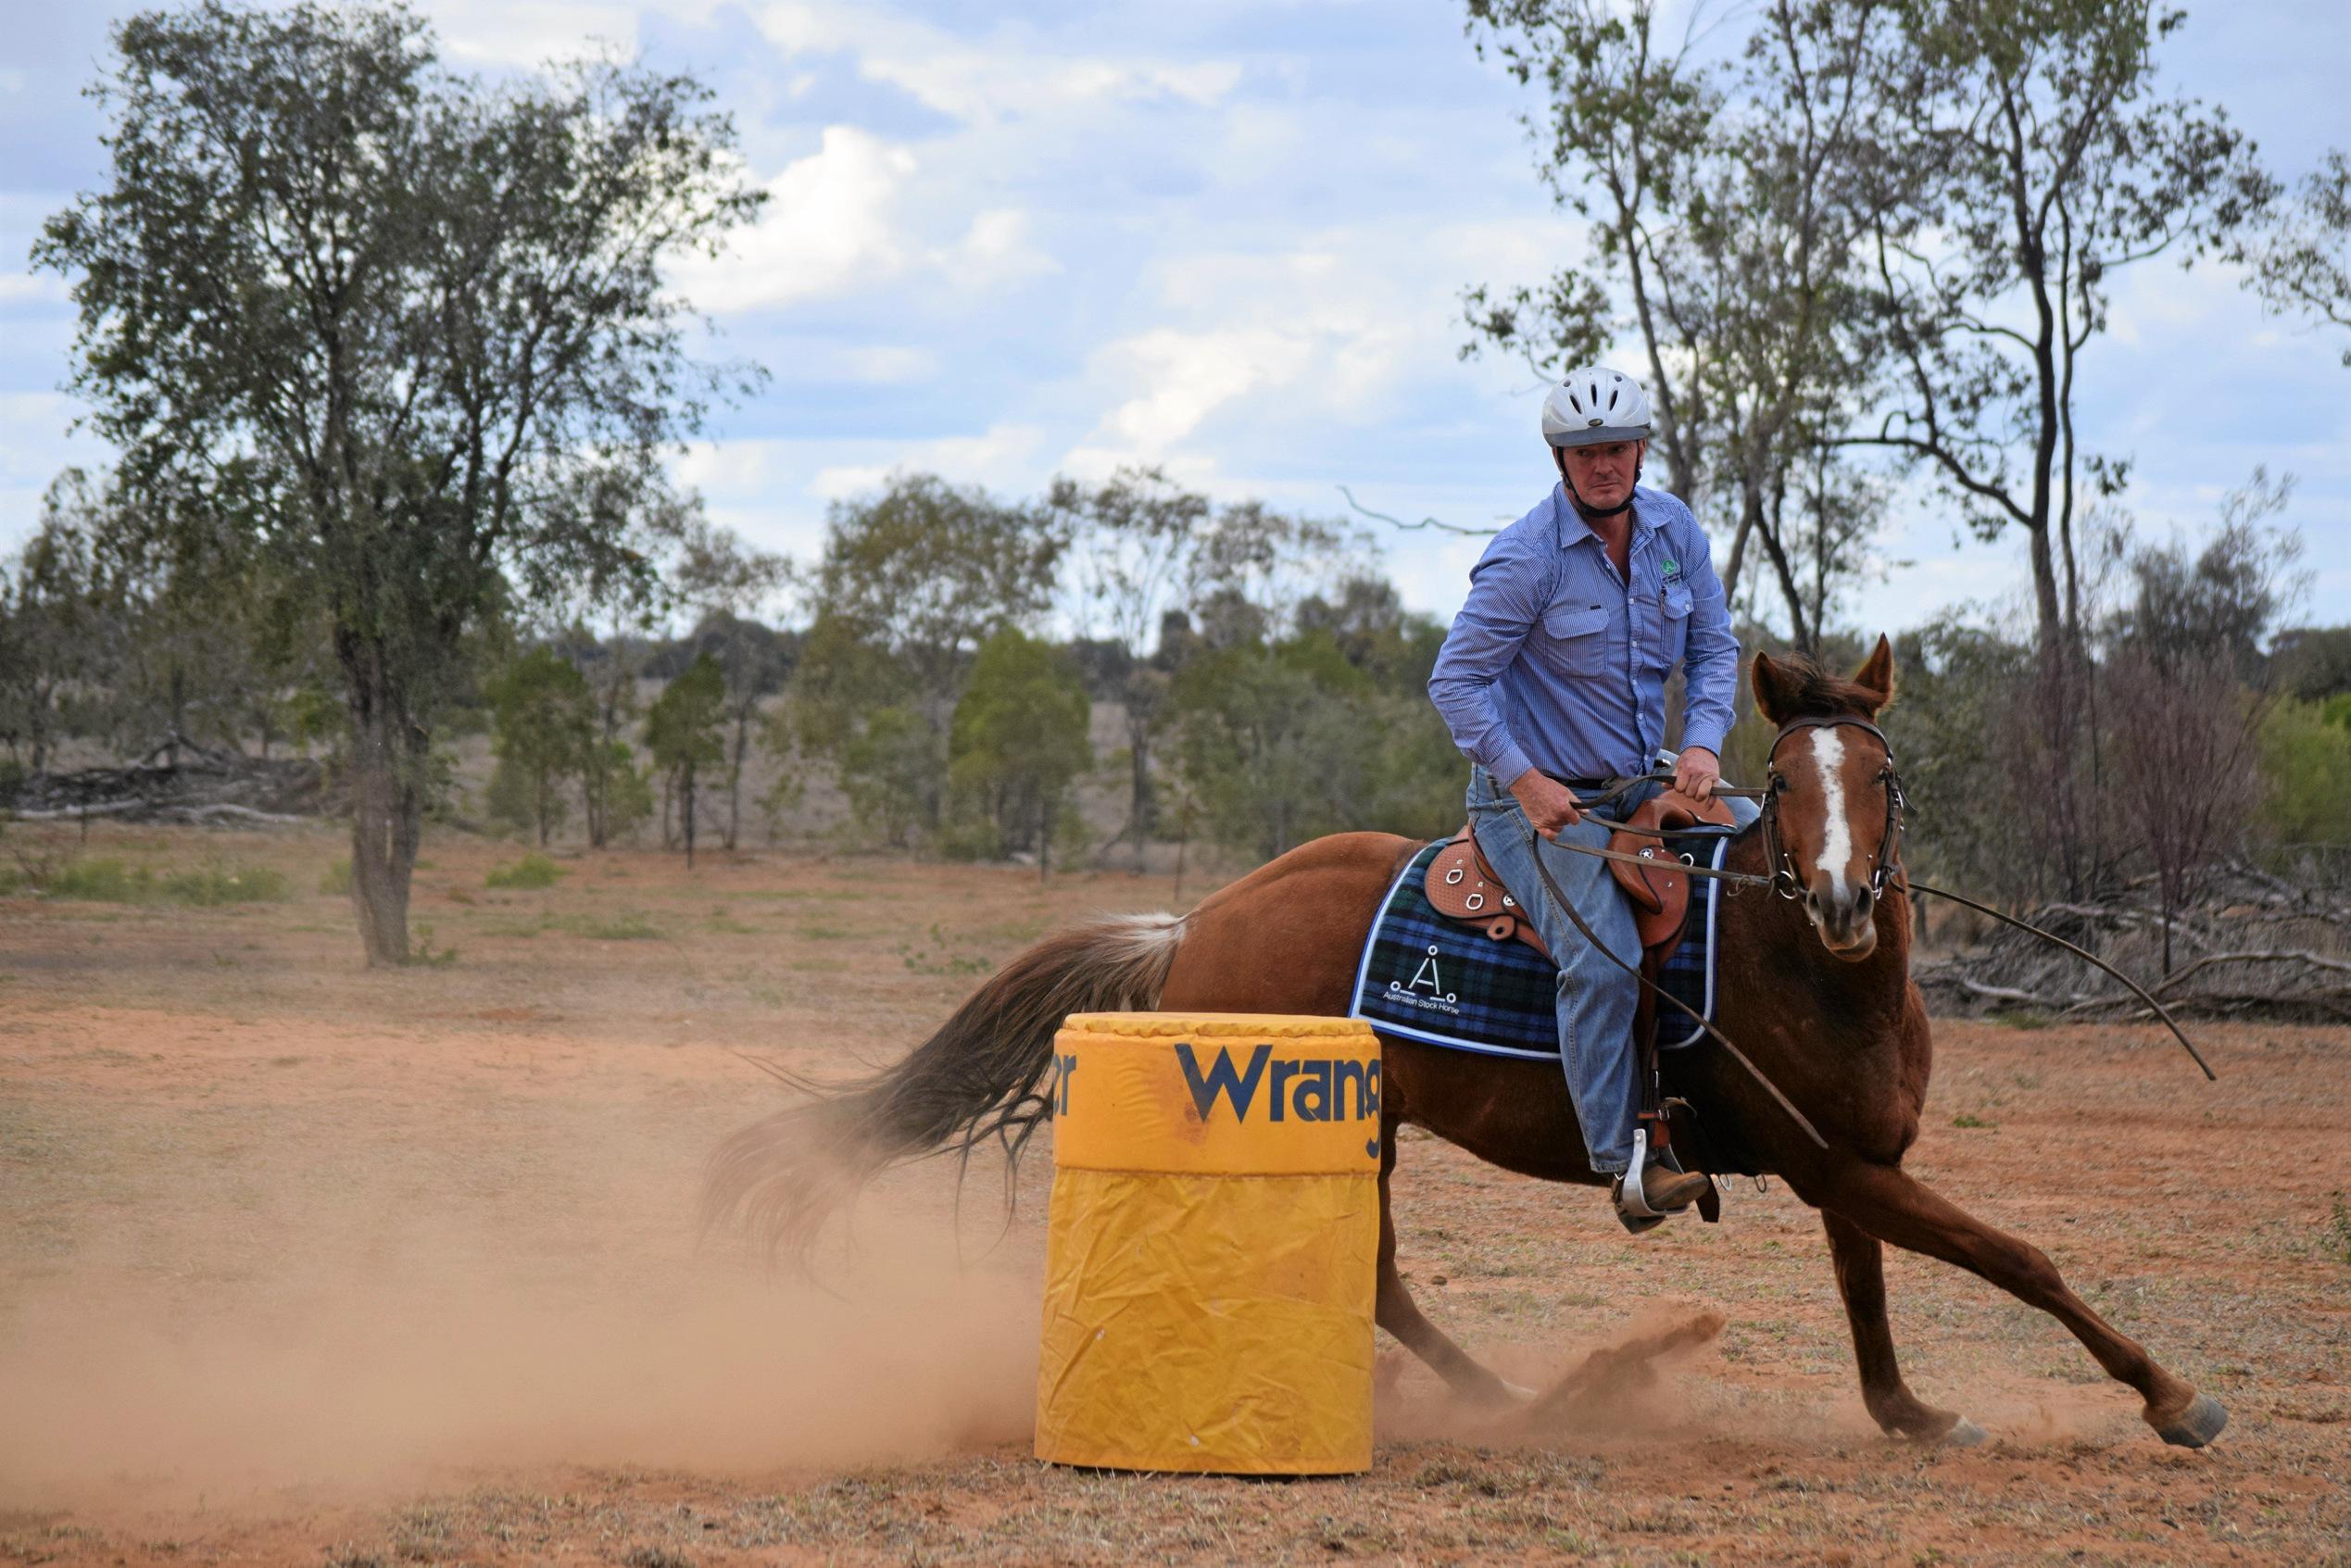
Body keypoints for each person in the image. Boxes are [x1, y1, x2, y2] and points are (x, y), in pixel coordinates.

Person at [1427, 366, 1751, 1233]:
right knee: (1603, 956)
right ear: (1560, 461)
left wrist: (1703, 743)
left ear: (1640, 450)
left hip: (1642, 780)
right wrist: (1525, 783)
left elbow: (1715, 650)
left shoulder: (1675, 532)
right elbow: (1455, 681)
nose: (1602, 464)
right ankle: (1626, 1164)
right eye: (1583, 452)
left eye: (1614, 448)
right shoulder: (1526, 557)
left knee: (1764, 850)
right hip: (1535, 801)